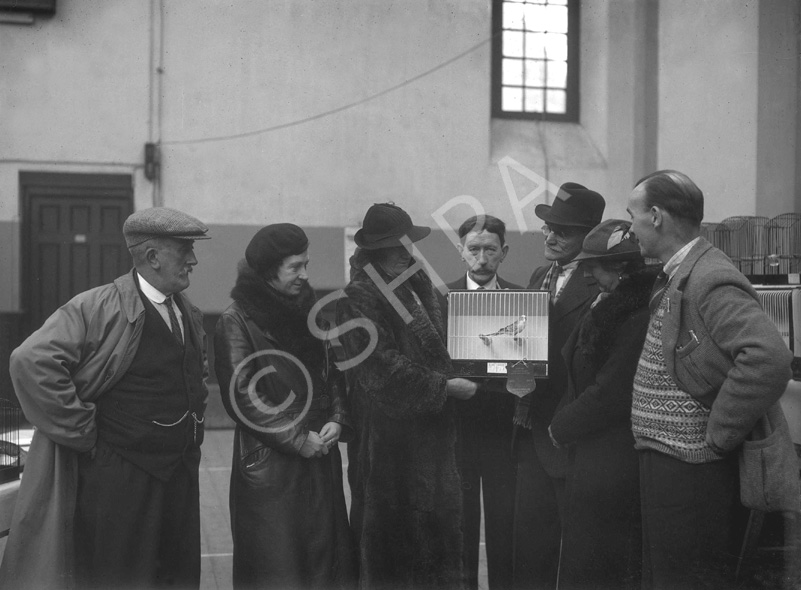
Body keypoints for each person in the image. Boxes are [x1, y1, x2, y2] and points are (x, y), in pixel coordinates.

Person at [0, 207, 211, 590]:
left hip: (180, 473)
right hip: (121, 479)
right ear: (151, 257)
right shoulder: (97, 306)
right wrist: (83, 432)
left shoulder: (188, 313)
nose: (193, 260)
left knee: (178, 575)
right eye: (185, 250)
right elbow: (30, 361)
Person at [626, 170, 793, 588]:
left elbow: (768, 357)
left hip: (691, 473)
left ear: (657, 216)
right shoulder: (682, 270)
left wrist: (718, 434)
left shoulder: (708, 277)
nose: (630, 228)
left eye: (633, 216)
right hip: (669, 463)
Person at [336, 202, 478, 589]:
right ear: (374, 251)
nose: (403, 252)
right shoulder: (358, 296)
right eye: (393, 245)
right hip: (387, 447)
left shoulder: (418, 287)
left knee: (437, 544)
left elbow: (445, 345)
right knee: (391, 551)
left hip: (431, 443)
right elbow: (380, 369)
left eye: (407, 243)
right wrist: (443, 387)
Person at [213, 223, 356, 589]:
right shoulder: (236, 320)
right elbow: (242, 395)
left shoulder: (308, 309)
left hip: (318, 457)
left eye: (306, 264)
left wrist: (338, 418)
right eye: (295, 267)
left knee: (324, 568)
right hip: (271, 465)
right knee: (279, 570)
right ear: (267, 270)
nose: (305, 275)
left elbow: (332, 370)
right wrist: (296, 438)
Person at [548, 219, 657, 589]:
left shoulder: (637, 317)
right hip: (593, 452)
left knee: (603, 558)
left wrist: (560, 426)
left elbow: (610, 391)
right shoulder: (610, 304)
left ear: (621, 268)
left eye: (594, 265)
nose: (589, 274)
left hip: (614, 457)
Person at [511, 182, 605, 589]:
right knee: (532, 543)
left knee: (579, 548)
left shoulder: (599, 282)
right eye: (548, 227)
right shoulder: (539, 274)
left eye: (561, 231)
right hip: (531, 426)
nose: (549, 236)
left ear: (589, 236)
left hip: (571, 434)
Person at [445, 214, 521, 590]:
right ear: (461, 252)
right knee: (458, 530)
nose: (481, 258)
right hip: (455, 433)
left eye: (490, 249)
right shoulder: (440, 300)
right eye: (473, 249)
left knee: (505, 529)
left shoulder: (524, 302)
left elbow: (528, 371)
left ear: (503, 252)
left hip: (504, 433)